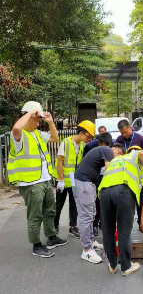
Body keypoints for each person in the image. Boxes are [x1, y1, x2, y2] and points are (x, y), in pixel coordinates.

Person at [7, 101, 67, 258]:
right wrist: (29, 113)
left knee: (50, 210)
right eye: (36, 119)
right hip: (30, 183)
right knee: (36, 215)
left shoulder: (38, 134)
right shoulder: (18, 136)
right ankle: (36, 245)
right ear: (27, 117)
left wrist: (50, 121)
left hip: (44, 180)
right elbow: (15, 128)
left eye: (39, 120)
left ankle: (51, 237)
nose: (38, 122)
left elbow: (55, 138)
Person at [99, 146, 143, 276]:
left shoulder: (117, 160)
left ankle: (112, 265)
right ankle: (125, 267)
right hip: (123, 191)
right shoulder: (134, 155)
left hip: (104, 192)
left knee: (108, 232)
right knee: (124, 231)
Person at [74, 143, 124, 264]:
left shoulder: (103, 151)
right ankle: (86, 250)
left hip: (87, 183)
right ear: (118, 152)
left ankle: (91, 242)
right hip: (84, 183)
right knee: (86, 216)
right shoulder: (108, 150)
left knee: (91, 214)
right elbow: (109, 170)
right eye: (119, 157)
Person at [52, 120, 95, 238]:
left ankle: (73, 226)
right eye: (89, 136)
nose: (89, 139)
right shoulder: (65, 143)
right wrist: (60, 180)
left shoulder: (82, 145)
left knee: (74, 204)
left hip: (74, 181)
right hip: (63, 181)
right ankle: (54, 226)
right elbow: (59, 162)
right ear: (81, 133)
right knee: (58, 205)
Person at [116, 119, 143, 225]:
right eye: (122, 133)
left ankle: (141, 221)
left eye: (125, 132)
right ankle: (125, 223)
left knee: (139, 199)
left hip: (137, 174)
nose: (124, 135)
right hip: (124, 174)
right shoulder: (119, 139)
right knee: (125, 200)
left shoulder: (140, 138)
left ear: (130, 128)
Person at [83, 132, 113, 236]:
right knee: (96, 202)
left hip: (107, 177)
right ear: (99, 143)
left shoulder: (112, 147)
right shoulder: (91, 147)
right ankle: (94, 225)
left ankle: (103, 223)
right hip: (96, 178)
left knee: (105, 201)